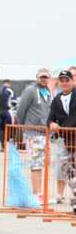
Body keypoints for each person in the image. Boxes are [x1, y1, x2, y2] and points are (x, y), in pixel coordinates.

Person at [16, 68, 53, 202]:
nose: (43, 79)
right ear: (37, 77)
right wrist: (24, 126)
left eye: (45, 77)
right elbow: (21, 110)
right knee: (35, 164)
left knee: (42, 164)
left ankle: (40, 192)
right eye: (41, 77)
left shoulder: (49, 92)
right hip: (33, 132)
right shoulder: (30, 91)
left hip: (45, 133)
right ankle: (36, 193)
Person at [47, 70, 76, 205]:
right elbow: (50, 118)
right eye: (62, 81)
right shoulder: (57, 99)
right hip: (66, 140)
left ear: (72, 81)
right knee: (66, 170)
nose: (64, 84)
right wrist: (51, 124)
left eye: (67, 81)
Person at [0, 79, 15, 152]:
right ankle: (12, 146)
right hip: (7, 111)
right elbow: (15, 101)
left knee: (1, 129)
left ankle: (2, 146)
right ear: (8, 84)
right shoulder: (9, 90)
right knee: (10, 128)